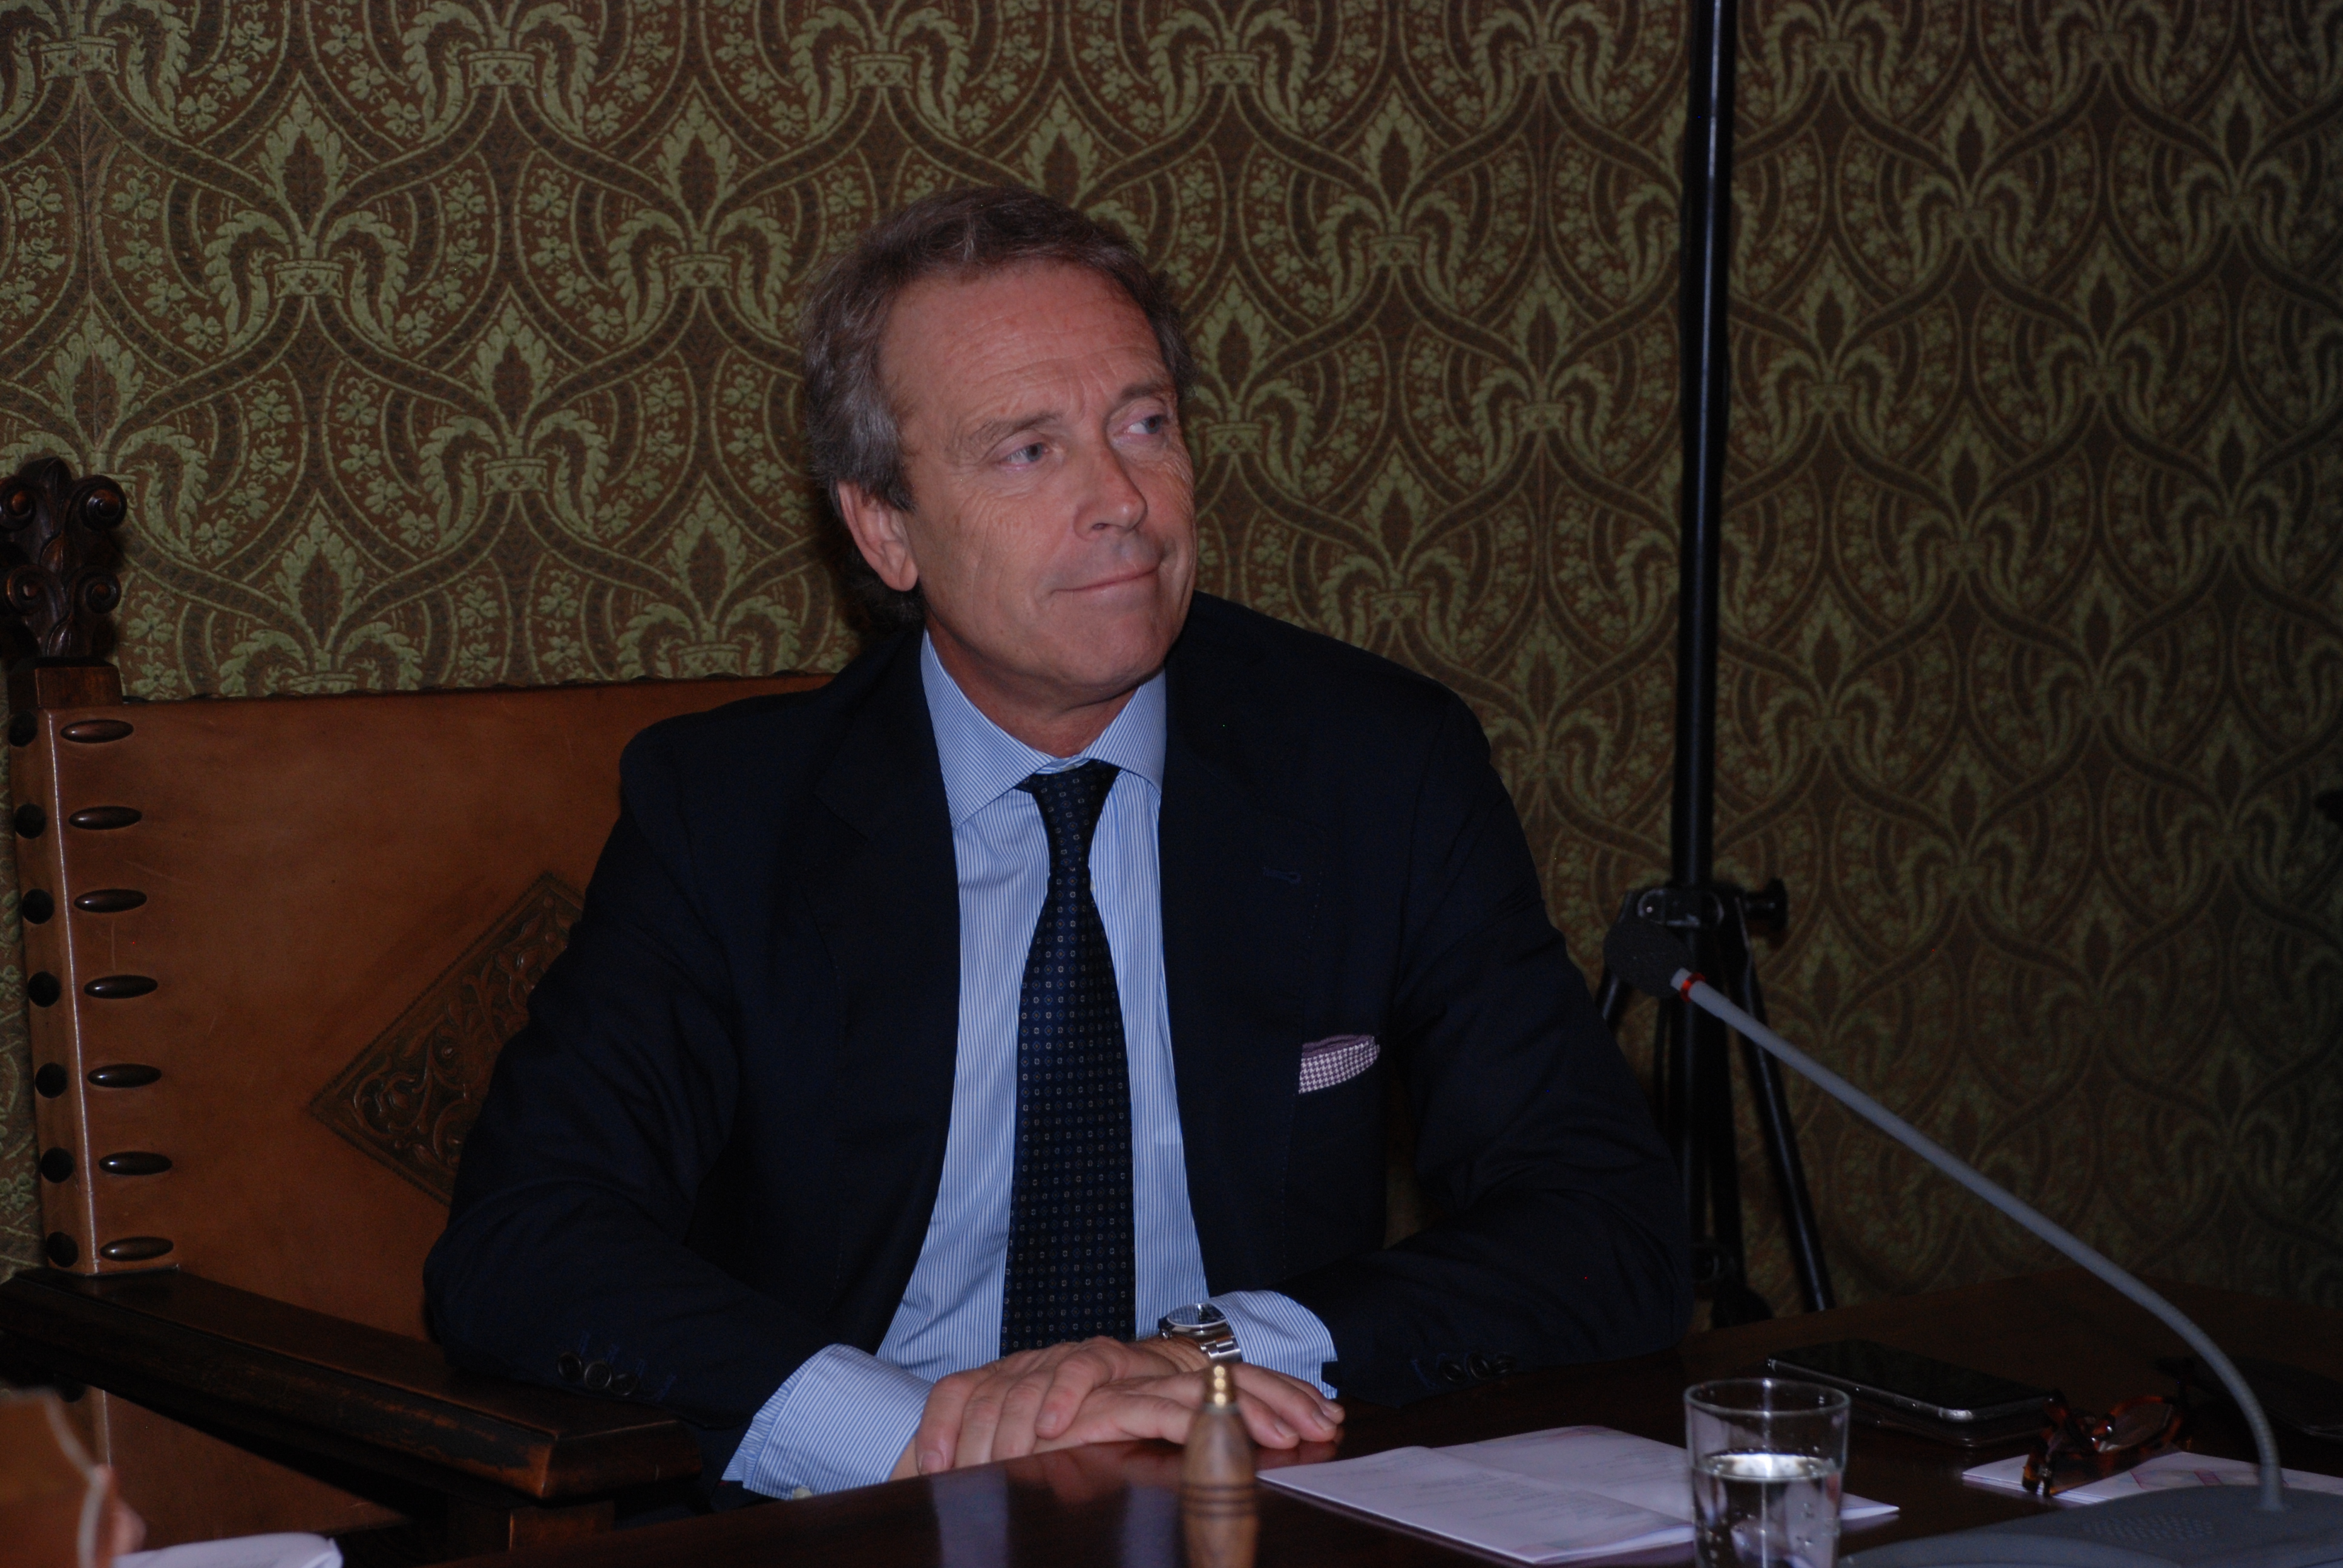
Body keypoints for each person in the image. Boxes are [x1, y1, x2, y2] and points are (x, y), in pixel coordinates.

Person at [425, 186, 1692, 1502]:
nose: (1123, 500)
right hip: (867, 1512)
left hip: (1240, 1491)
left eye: (1144, 424)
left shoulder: (1374, 767)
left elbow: (1605, 1221)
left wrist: (1207, 1356)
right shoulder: (730, 813)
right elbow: (525, 1242)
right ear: (886, 527)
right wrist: (922, 1433)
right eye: (1028, 450)